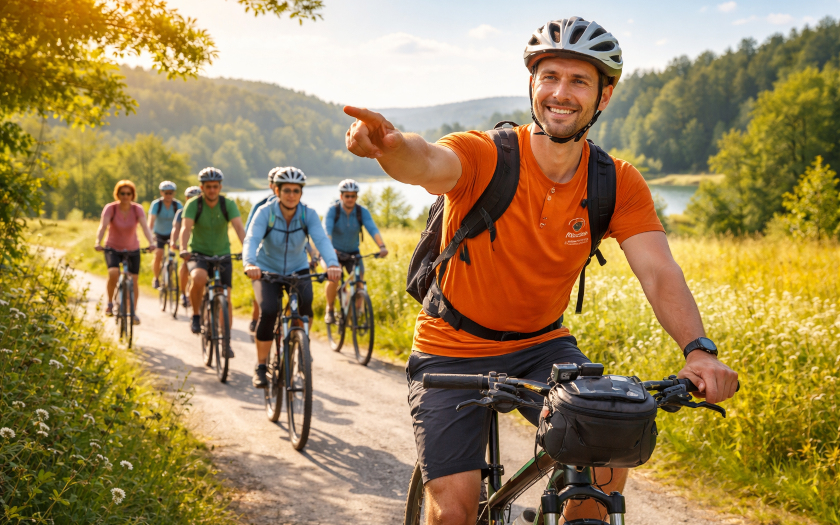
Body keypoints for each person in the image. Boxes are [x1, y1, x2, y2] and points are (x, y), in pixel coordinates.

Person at [343, 16, 739, 525]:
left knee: (607, 451)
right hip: (451, 348)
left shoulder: (616, 182)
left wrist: (698, 351)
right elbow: (427, 162)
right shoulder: (485, 154)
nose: (561, 93)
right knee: (454, 511)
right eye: (549, 76)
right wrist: (392, 149)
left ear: (604, 95)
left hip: (542, 347)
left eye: (579, 81)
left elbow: (660, 272)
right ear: (532, 84)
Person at [243, 167, 341, 388]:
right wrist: (249, 263)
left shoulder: (308, 214)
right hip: (267, 270)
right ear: (277, 191)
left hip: (298, 268)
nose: (291, 195)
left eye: (296, 190)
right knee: (269, 311)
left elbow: (321, 240)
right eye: (286, 190)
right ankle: (261, 366)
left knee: (306, 306)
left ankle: (301, 342)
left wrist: (332, 264)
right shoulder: (265, 212)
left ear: (301, 193)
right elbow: (252, 238)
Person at [179, 168, 246, 347]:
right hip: (198, 253)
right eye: (208, 187)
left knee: (226, 296)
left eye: (215, 186)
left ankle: (226, 340)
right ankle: (196, 315)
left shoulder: (228, 204)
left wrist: (247, 249)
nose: (212, 190)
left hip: (223, 253)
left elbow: (239, 228)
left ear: (220, 187)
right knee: (199, 278)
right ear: (202, 187)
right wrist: (183, 248)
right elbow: (186, 228)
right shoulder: (193, 204)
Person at [323, 179, 388, 325]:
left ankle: (358, 311)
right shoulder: (333, 210)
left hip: (353, 252)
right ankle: (330, 309)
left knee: (359, 280)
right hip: (334, 253)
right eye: (347, 196)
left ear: (356, 197)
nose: (350, 199)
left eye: (353, 196)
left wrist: (382, 246)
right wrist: (329, 249)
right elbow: (327, 231)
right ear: (341, 196)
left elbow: (372, 229)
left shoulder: (361, 211)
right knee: (334, 276)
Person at [94, 180, 155, 324]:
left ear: (133, 195)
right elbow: (103, 226)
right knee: (113, 273)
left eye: (128, 193)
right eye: (122, 193)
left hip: (132, 248)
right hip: (112, 248)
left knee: (134, 280)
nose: (125, 196)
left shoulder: (137, 209)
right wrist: (98, 242)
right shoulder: (111, 208)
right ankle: (110, 303)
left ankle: (133, 312)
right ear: (117, 194)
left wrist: (151, 243)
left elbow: (145, 227)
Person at [148, 180, 183, 290]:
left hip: (172, 234)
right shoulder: (156, 205)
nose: (168, 195)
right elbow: (151, 222)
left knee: (172, 255)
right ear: (161, 193)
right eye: (166, 192)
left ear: (174, 193)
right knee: (159, 254)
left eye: (170, 193)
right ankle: (156, 278)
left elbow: (182, 223)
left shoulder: (177, 205)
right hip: (159, 234)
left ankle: (171, 278)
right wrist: (151, 236)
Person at [171, 185, 202, 308]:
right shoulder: (181, 212)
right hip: (187, 245)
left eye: (196, 197)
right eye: (190, 197)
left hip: (201, 245)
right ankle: (183, 293)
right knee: (185, 265)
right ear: (186, 198)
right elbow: (176, 228)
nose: (193, 200)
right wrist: (173, 242)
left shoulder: (205, 210)